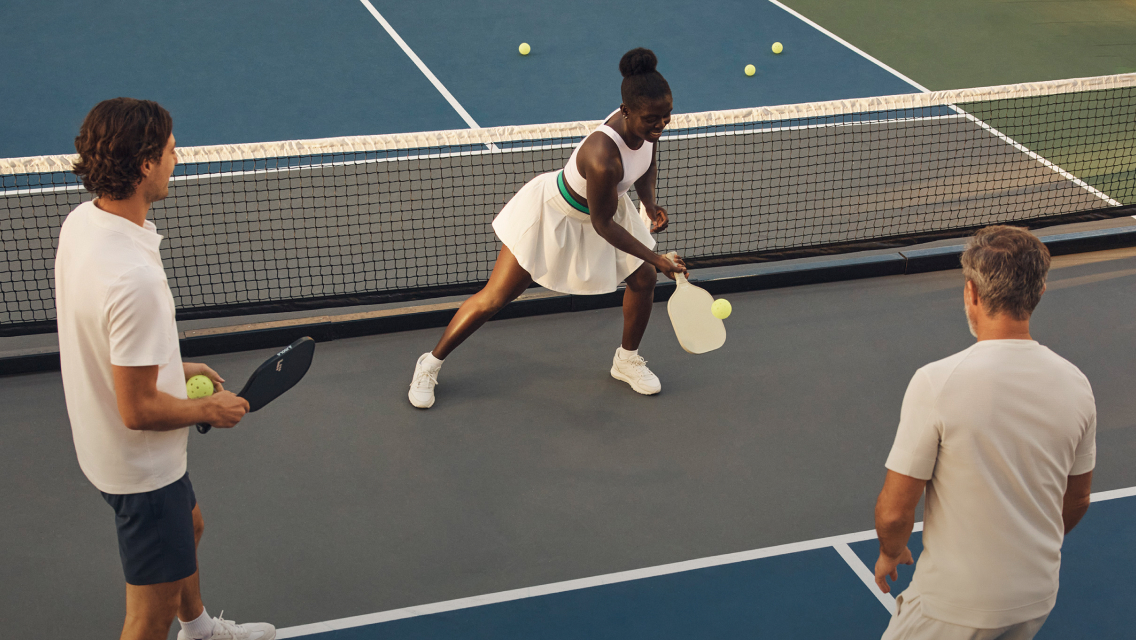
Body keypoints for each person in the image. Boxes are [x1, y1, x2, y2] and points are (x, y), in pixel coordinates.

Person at [57, 98, 275, 640]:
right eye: (171, 151)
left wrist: (170, 365)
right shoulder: (135, 278)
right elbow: (137, 408)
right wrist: (209, 408)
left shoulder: (85, 223)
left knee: (191, 524)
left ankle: (199, 630)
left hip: (100, 439)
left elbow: (104, 337)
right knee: (147, 618)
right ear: (145, 165)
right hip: (141, 471)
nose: (179, 158)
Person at [408, 47, 687, 408]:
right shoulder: (603, 158)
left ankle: (627, 360)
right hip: (556, 216)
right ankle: (429, 363)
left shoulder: (645, 127)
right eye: (653, 119)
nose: (661, 125)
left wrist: (648, 203)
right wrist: (656, 256)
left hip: (606, 208)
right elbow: (603, 225)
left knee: (644, 279)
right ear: (626, 111)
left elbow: (647, 160)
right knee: (495, 298)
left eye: (667, 116)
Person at [873, 225, 1096, 640]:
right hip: (1035, 597)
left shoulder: (936, 381)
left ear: (971, 292)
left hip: (955, 605)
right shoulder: (1076, 383)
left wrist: (891, 550)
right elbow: (1077, 498)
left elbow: (895, 511)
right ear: (1040, 291)